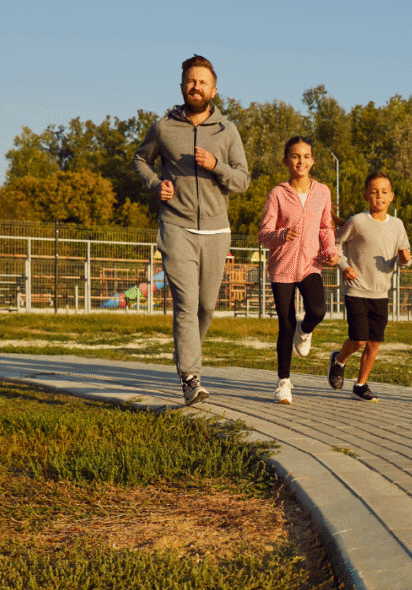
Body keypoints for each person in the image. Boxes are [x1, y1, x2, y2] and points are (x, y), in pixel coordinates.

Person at [133, 55, 251, 406]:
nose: (195, 86)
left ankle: (187, 358)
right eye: (190, 80)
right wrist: (156, 185)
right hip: (176, 225)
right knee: (186, 304)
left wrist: (217, 166)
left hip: (216, 231)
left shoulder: (226, 131)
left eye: (202, 81)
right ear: (182, 85)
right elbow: (140, 159)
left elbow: (243, 180)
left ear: (214, 89)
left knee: (206, 308)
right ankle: (191, 377)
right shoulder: (163, 127)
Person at [258, 136, 339, 404]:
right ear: (286, 161)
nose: (300, 161)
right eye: (295, 156)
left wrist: (331, 250)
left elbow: (326, 226)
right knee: (285, 324)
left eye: (305, 156)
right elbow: (264, 233)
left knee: (318, 310)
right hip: (282, 266)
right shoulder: (278, 193)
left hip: (310, 264)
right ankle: (284, 382)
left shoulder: (322, 192)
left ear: (312, 160)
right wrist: (282, 234)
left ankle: (305, 332)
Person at [327, 171, 411, 402]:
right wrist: (344, 266)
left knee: (374, 342)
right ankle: (339, 360)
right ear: (366, 196)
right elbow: (335, 245)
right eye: (374, 192)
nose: (379, 196)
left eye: (384, 192)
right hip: (356, 288)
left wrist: (404, 259)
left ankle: (360, 385)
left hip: (381, 292)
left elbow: (405, 256)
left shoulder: (397, 225)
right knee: (359, 339)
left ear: (392, 196)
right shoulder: (357, 222)